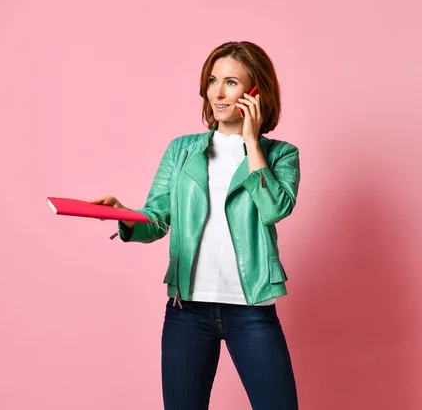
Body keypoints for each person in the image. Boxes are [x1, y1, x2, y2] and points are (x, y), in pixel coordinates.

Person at [90, 41, 300, 410]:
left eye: (231, 82)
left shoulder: (281, 154)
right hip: (187, 311)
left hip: (251, 310)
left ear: (255, 91)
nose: (217, 93)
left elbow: (273, 209)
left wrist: (251, 142)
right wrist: (124, 214)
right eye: (212, 80)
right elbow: (156, 221)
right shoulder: (181, 150)